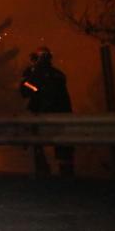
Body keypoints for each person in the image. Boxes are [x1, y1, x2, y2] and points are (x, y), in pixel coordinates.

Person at [19, 46, 74, 177]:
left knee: (38, 143)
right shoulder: (59, 75)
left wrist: (28, 78)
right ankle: (66, 173)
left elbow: (25, 91)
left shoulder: (37, 74)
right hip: (61, 117)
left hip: (42, 116)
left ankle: (44, 170)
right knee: (63, 148)